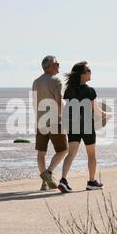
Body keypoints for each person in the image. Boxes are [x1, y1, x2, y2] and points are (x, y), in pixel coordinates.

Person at [58, 61, 112, 193]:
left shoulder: (69, 90)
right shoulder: (90, 90)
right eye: (88, 70)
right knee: (91, 155)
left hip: (72, 125)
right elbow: (97, 111)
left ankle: (63, 180)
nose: (90, 72)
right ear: (82, 74)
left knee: (71, 154)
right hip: (87, 125)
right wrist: (108, 115)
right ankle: (91, 182)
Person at [32, 56, 68, 191]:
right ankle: (48, 173)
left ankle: (44, 183)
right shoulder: (56, 80)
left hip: (40, 120)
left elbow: (35, 102)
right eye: (57, 63)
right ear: (49, 67)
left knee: (41, 152)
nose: (59, 65)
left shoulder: (36, 82)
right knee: (64, 149)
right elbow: (59, 101)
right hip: (54, 120)